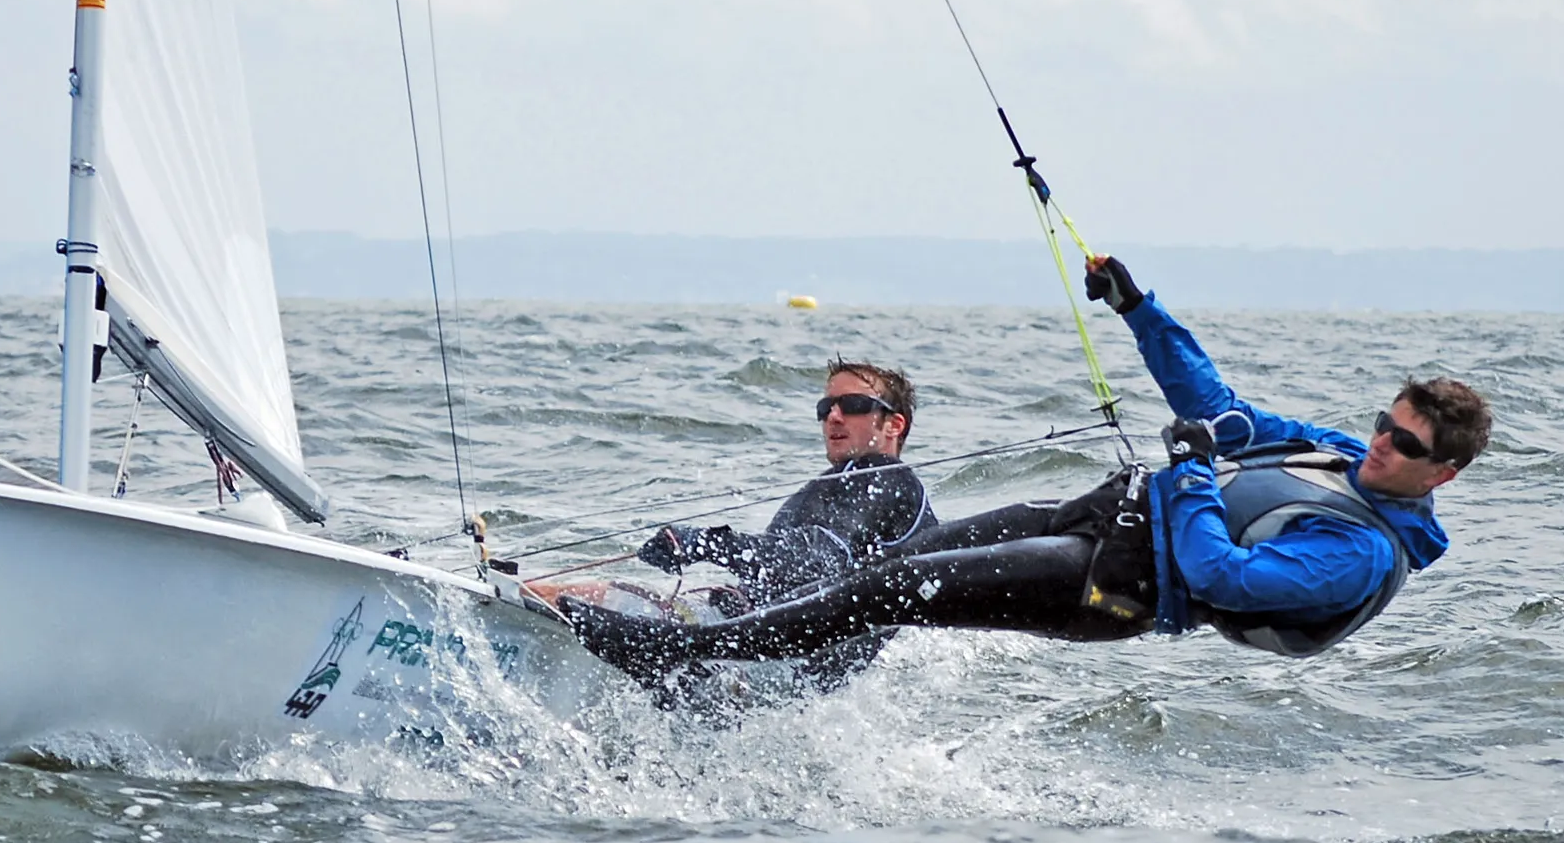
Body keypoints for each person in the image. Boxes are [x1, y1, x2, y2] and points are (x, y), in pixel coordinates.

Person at [556, 257, 1492, 687]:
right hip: (1098, 512)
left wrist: (1199, 481)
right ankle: (760, 649)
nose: (1381, 446)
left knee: (896, 585)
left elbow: (1224, 577)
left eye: (1406, 447)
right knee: (891, 568)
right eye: (1386, 424)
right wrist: (1139, 309)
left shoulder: (1362, 554)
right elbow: (1214, 409)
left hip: (1113, 589)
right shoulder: (1330, 450)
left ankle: (682, 655)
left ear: (1441, 475)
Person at [526, 359, 938, 614]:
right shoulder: (840, 483)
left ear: (894, 424)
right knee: (569, 593)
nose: (832, 417)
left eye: (852, 406)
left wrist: (704, 543)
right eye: (824, 408)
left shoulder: (887, 479)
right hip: (744, 633)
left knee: (562, 598)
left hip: (768, 658)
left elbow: (817, 559)